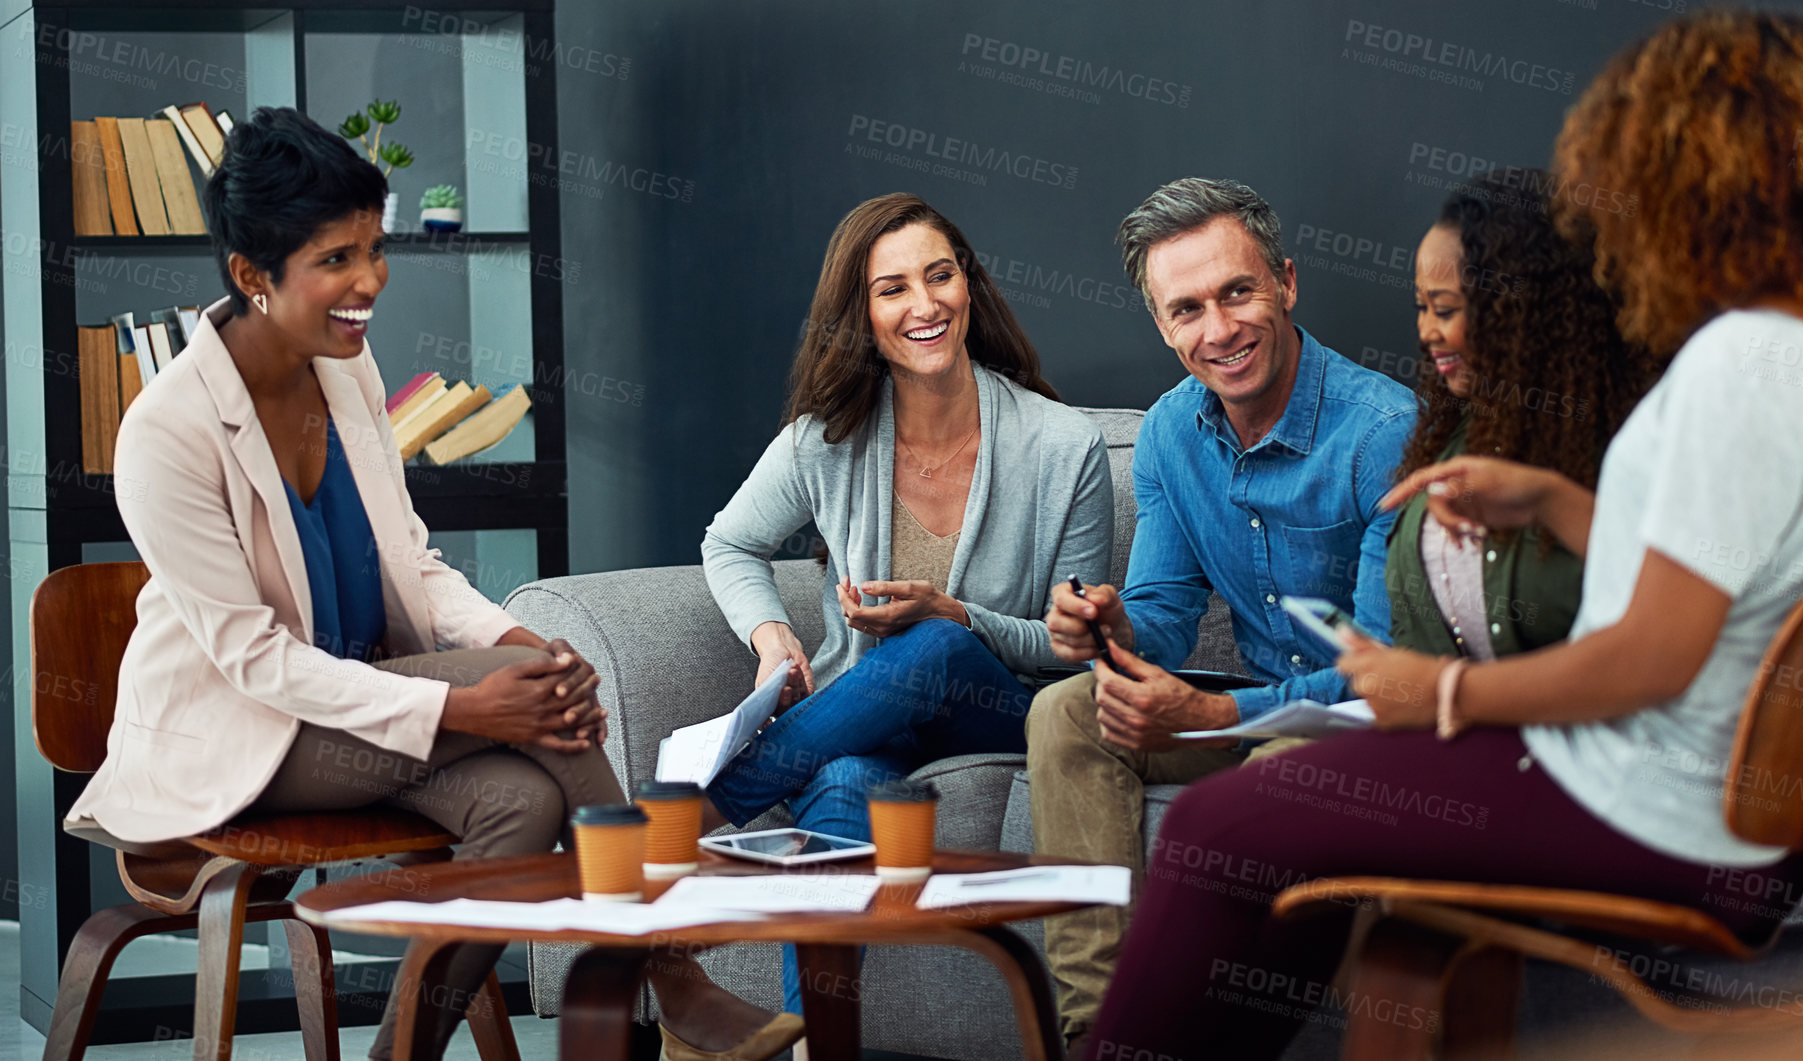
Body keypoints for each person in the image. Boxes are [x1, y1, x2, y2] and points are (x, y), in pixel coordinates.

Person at [1083, 12, 1803, 1059]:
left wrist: (1445, 694)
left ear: (1710, 168)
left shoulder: (1739, 362)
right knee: (1288, 843)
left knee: (1216, 825)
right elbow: (1722, 582)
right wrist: (1555, 505)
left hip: (1661, 814)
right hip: (1719, 815)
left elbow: (1654, 652)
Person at [62, 108, 801, 1061]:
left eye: (375, 248)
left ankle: (403, 1051)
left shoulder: (347, 365)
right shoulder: (166, 432)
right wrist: (476, 701)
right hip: (246, 728)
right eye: (336, 259)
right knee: (530, 710)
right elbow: (253, 660)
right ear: (252, 276)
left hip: (366, 691)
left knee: (525, 802)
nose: (368, 281)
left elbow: (411, 558)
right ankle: (673, 973)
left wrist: (511, 644)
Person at [1025, 177, 1416, 1056]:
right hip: (1251, 716)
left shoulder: (1383, 429)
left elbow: (1384, 665)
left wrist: (1208, 714)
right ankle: (1101, 1035)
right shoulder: (1169, 433)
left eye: (1238, 292)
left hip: (1369, 731)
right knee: (1064, 712)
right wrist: (1111, 626)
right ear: (1163, 326)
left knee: (1280, 765)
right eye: (1188, 308)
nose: (1220, 329)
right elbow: (1162, 614)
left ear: (1285, 282)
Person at [699, 193, 1113, 1022]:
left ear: (970, 287)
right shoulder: (825, 440)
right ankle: (823, 1046)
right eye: (893, 289)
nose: (924, 305)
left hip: (1002, 709)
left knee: (935, 649)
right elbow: (729, 543)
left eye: (940, 276)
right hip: (868, 726)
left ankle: (706, 808)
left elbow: (1075, 651)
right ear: (862, 314)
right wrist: (771, 634)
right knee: (845, 782)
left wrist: (959, 616)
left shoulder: (1064, 447)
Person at [1389, 168, 1657, 658]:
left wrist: (1452, 693)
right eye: (1420, 308)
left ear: (1519, 312)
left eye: (1445, 310)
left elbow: (1657, 630)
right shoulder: (1448, 435)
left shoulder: (1627, 455)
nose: (1428, 331)